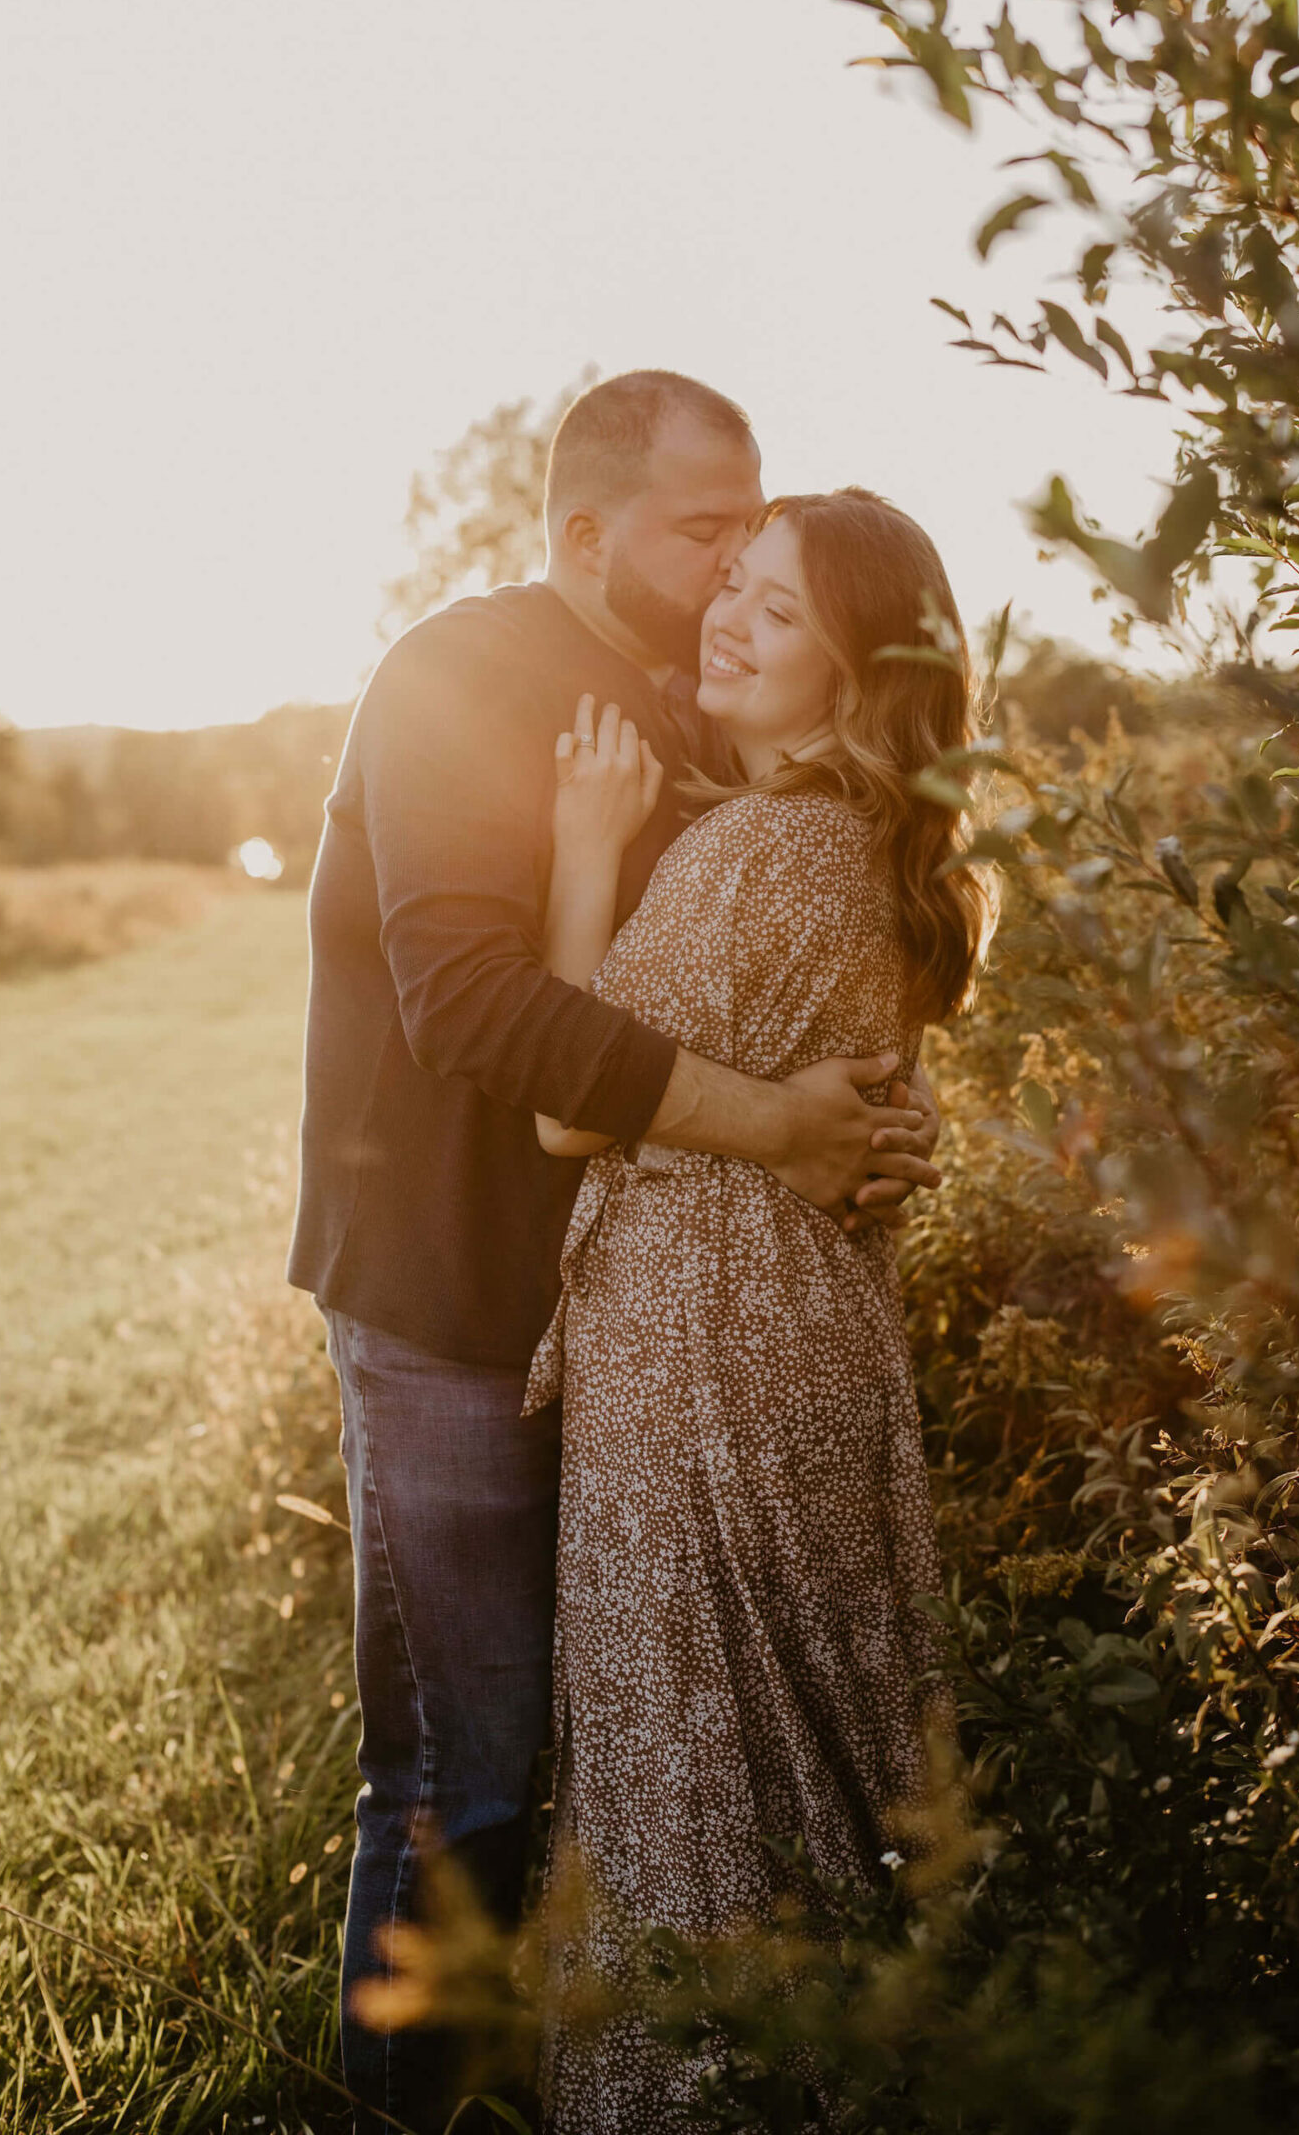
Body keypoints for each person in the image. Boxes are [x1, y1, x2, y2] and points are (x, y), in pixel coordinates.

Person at [285, 374, 942, 2132]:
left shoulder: (691, 700)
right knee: (460, 1775)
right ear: (587, 535)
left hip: (647, 1327)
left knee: (624, 1763)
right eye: (706, 531)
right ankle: (410, 2104)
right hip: (444, 1300)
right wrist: (783, 1128)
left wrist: (880, 1114)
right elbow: (474, 1002)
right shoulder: (454, 681)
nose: (735, 565)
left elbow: (799, 920)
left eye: (757, 534)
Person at [525, 486, 996, 2134]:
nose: (729, 613)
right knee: (814, 1751)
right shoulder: (883, 856)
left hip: (701, 1344)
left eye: (779, 608)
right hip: (817, 1339)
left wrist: (584, 854)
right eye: (736, 581)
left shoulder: (750, 853)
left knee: (696, 1772)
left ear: (859, 678)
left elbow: (564, 1112)